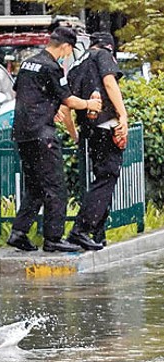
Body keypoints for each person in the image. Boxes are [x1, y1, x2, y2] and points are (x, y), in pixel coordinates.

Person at [7, 26, 103, 252]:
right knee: (55, 187)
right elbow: (68, 100)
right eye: (69, 50)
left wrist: (47, 105)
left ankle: (18, 232)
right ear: (65, 46)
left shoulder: (28, 63)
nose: (68, 54)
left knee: (35, 186)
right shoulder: (52, 66)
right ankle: (53, 238)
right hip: (42, 133)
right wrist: (89, 104)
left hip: (22, 133)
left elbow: (23, 92)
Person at [62, 32, 129, 250]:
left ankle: (98, 234)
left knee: (101, 179)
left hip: (89, 131)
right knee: (106, 178)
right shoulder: (103, 54)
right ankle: (80, 230)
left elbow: (65, 107)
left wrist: (75, 135)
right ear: (109, 46)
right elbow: (110, 83)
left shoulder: (76, 64)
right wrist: (123, 115)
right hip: (105, 125)